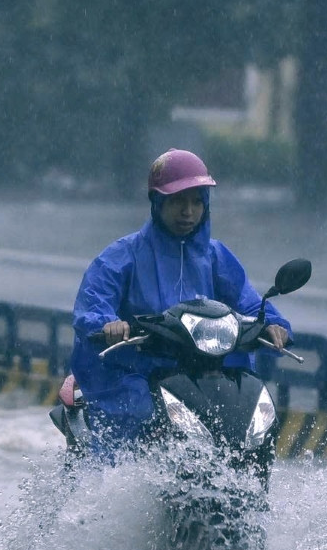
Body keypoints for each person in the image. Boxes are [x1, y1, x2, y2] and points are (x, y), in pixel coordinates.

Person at [62, 149, 291, 456]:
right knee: (138, 410)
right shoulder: (122, 255)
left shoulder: (216, 256)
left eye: (197, 201)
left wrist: (274, 324)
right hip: (136, 370)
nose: (188, 211)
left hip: (205, 371)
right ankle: (114, 488)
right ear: (157, 203)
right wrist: (109, 324)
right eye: (178, 201)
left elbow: (247, 302)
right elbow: (94, 302)